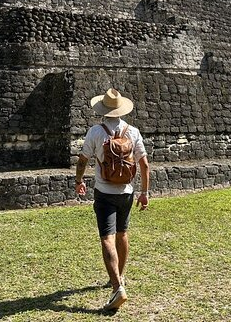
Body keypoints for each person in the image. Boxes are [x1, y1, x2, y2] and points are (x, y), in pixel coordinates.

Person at [75, 88, 150, 311]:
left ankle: (117, 287)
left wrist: (79, 180)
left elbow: (82, 160)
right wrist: (144, 193)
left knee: (106, 238)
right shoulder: (133, 131)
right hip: (126, 192)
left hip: (104, 192)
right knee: (122, 234)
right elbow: (144, 164)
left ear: (104, 109)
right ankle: (120, 277)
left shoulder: (96, 132)